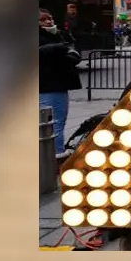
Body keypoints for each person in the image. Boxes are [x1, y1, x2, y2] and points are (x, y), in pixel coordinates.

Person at [39, 9, 82, 159]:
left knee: (55, 121)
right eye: (43, 20)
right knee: (53, 122)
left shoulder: (58, 34)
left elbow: (72, 51)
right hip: (48, 85)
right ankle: (55, 153)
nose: (48, 22)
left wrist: (71, 56)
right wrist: (57, 48)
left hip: (58, 83)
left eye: (50, 18)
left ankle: (53, 152)